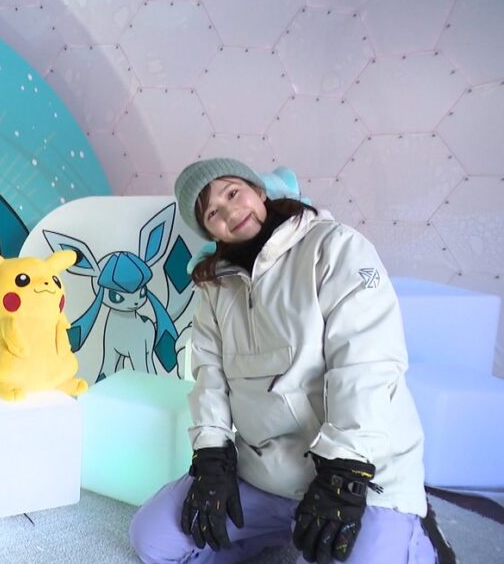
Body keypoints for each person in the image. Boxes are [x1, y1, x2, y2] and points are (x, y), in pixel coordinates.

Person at [128, 158, 455, 564]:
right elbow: (209, 378)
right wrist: (212, 458)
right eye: (212, 212)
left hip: (360, 472)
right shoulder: (215, 288)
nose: (230, 211)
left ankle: (419, 538)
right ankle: (283, 532)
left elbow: (366, 365)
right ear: (208, 230)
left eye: (233, 192)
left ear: (258, 190)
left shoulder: (335, 246)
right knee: (153, 540)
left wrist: (344, 472)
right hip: (265, 476)